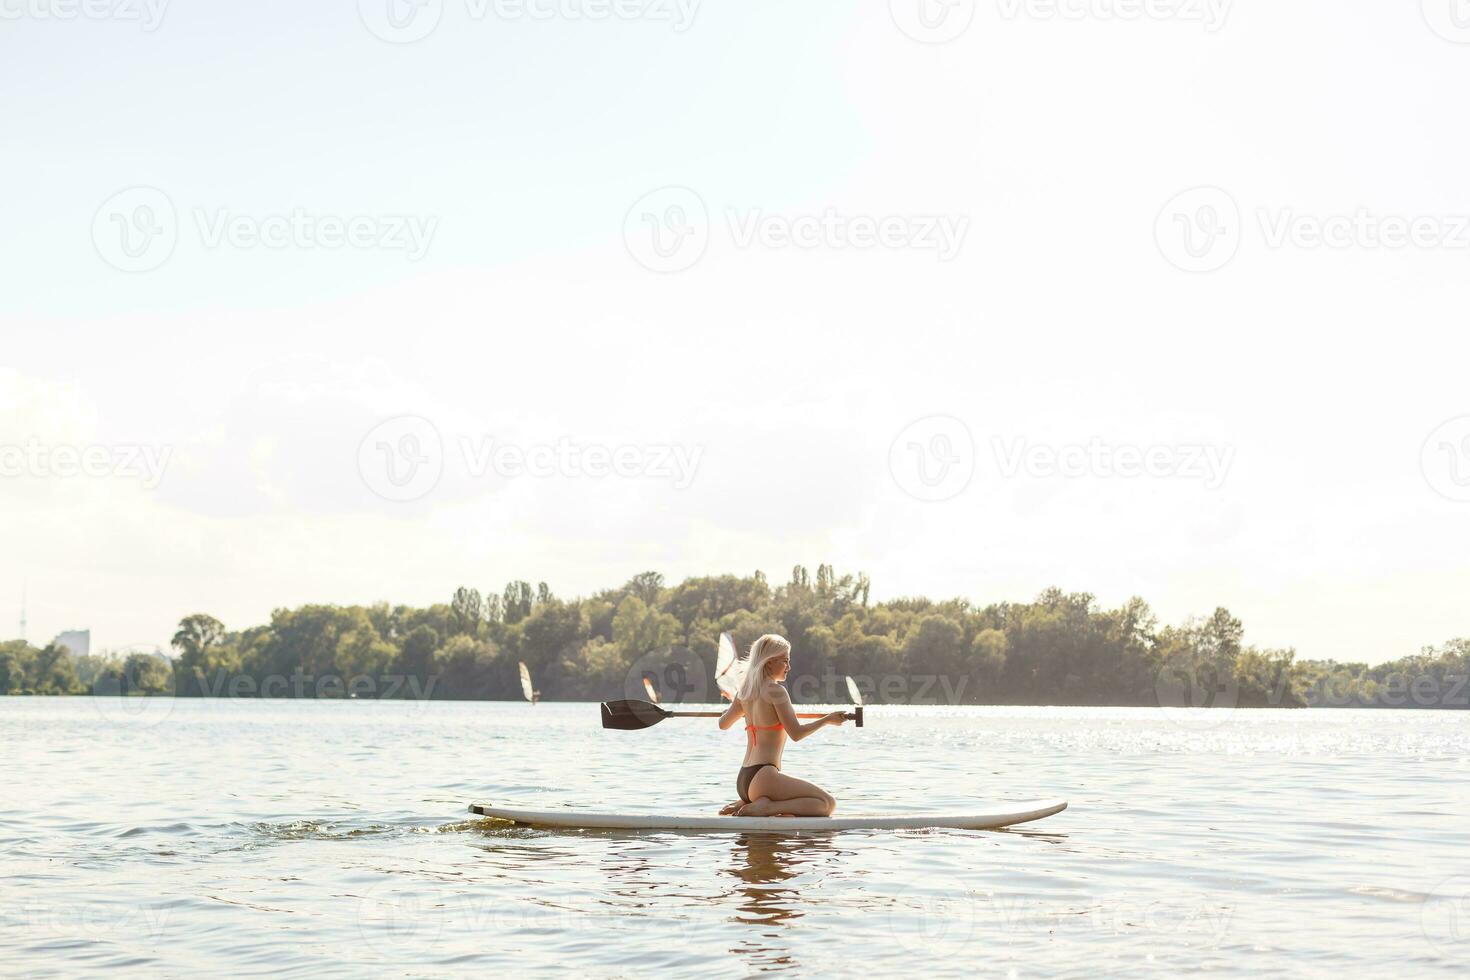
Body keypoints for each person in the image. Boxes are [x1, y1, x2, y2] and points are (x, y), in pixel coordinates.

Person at [717, 634, 845, 817]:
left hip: (744, 779)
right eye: (785, 661)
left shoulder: (744, 692)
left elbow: (723, 723)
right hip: (764, 777)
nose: (788, 667)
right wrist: (827, 720)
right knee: (827, 804)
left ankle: (746, 803)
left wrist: (736, 708)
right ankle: (767, 807)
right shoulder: (776, 691)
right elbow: (796, 733)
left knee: (819, 801)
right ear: (769, 662)